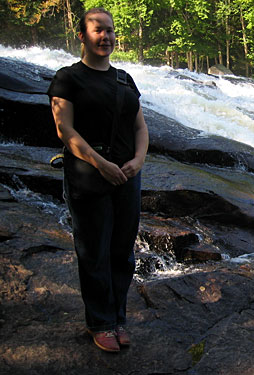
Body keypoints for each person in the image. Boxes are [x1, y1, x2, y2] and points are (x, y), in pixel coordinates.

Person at [47, 7, 148, 352]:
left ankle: (118, 318)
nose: (105, 36)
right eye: (97, 30)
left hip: (126, 177)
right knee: (93, 251)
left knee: (122, 252)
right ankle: (100, 322)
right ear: (82, 36)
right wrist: (101, 162)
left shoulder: (124, 79)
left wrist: (138, 159)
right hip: (88, 175)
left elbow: (140, 126)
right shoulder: (67, 78)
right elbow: (65, 129)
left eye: (109, 30)